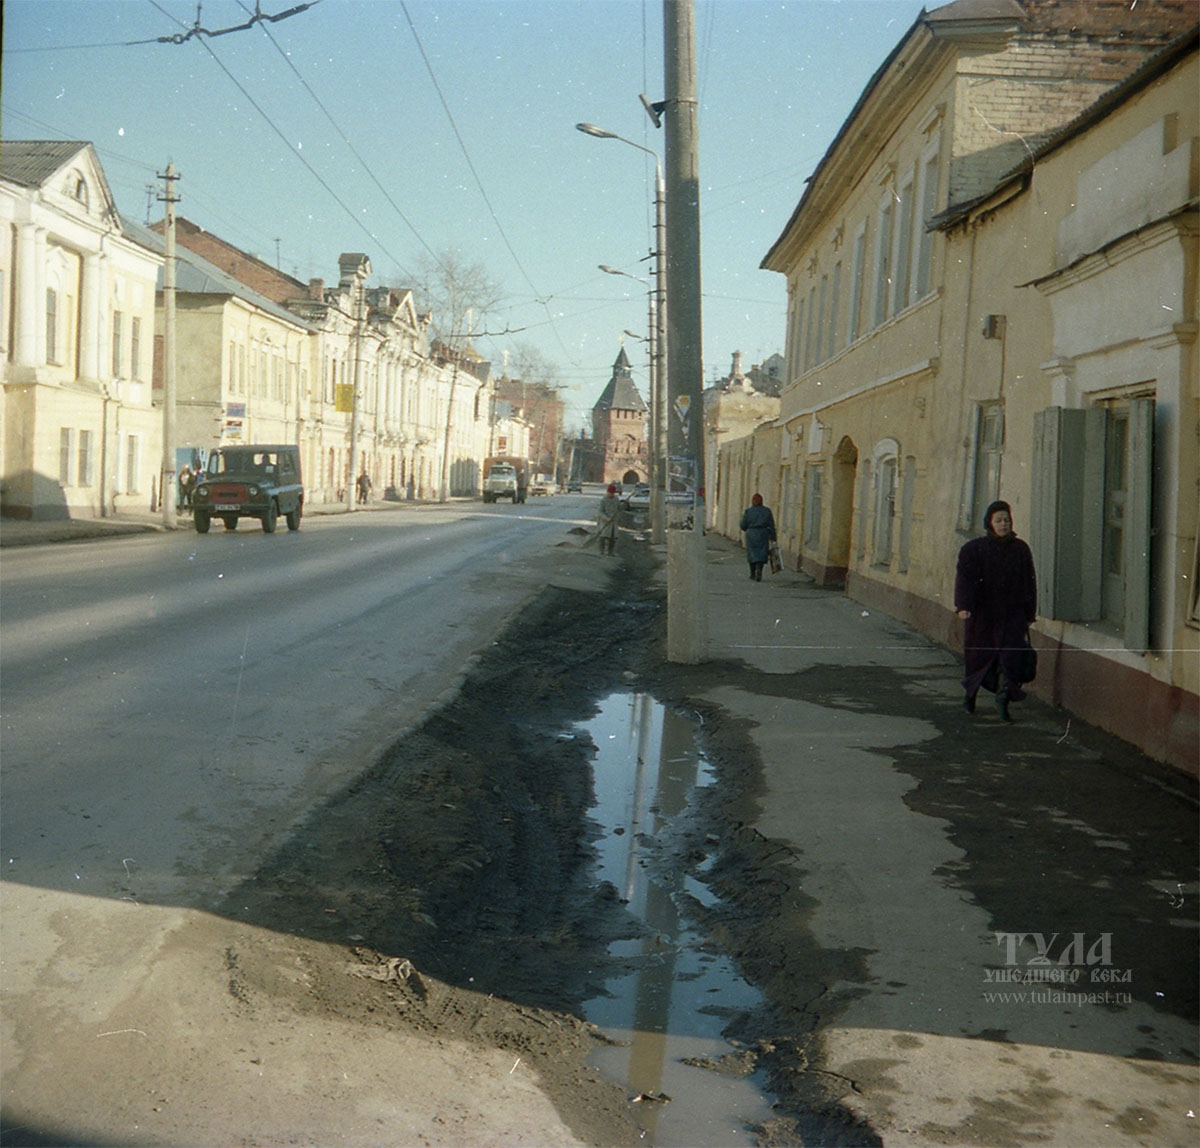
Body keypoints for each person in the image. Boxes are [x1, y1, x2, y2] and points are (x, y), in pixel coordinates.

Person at [954, 500, 1038, 721]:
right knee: (978, 657)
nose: (1003, 524)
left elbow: (1029, 583)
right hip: (982, 614)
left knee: (1010, 659)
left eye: (1006, 520)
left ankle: (1003, 700)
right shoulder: (974, 549)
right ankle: (970, 695)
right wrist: (963, 606)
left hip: (1011, 614)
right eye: (998, 520)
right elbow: (965, 580)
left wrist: (1029, 613)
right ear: (990, 523)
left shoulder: (1020, 549)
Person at [739, 493, 777, 582]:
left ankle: (752, 573)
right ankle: (759, 569)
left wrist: (747, 529)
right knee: (762, 553)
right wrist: (773, 536)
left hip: (751, 533)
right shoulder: (767, 511)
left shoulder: (748, 511)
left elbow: (743, 524)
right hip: (763, 533)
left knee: (752, 553)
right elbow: (771, 525)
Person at [596, 484, 621, 556]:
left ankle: (611, 552)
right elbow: (600, 512)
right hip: (605, 522)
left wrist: (624, 504)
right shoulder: (603, 500)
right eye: (610, 493)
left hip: (614, 522)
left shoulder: (616, 499)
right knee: (603, 537)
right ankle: (601, 551)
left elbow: (619, 508)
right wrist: (606, 518)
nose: (611, 495)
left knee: (613, 538)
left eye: (612, 493)